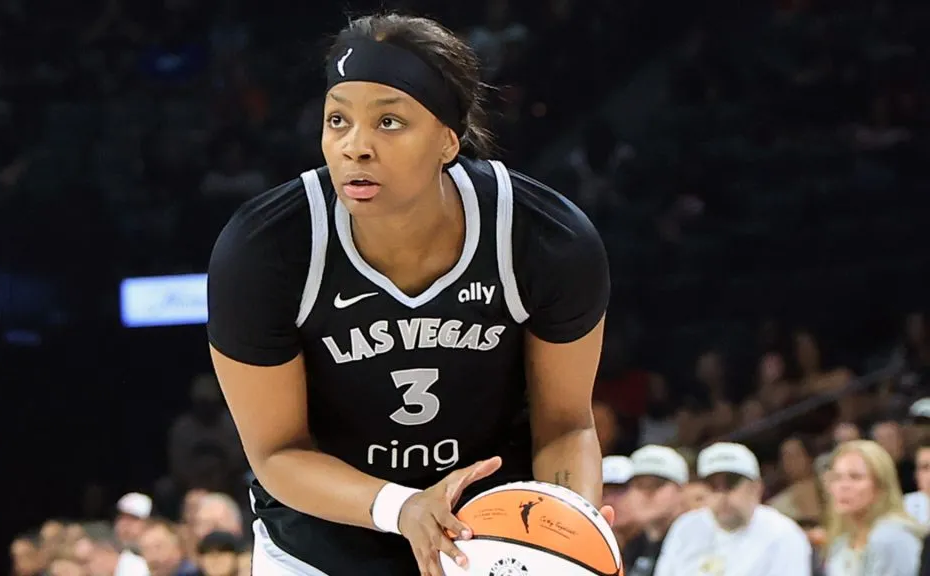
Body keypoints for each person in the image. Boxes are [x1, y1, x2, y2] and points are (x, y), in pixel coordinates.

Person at [207, 12, 611, 576]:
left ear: (448, 140)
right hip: (321, 547)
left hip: (489, 538)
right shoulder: (264, 249)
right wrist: (403, 507)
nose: (355, 147)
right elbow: (277, 452)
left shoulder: (543, 238)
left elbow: (566, 425)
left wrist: (570, 522)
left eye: (389, 122)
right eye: (337, 120)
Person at [653, 442, 812, 575]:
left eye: (731, 484)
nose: (722, 496)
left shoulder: (783, 534)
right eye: (714, 487)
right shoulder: (686, 527)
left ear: (756, 488)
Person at [824, 440, 925, 576]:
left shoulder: (891, 537)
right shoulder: (840, 543)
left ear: (880, 486)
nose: (843, 486)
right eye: (837, 477)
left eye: (855, 477)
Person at [622, 445, 688, 576]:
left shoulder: (695, 542)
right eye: (639, 485)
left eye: (657, 485)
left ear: (681, 490)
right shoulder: (631, 546)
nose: (646, 493)